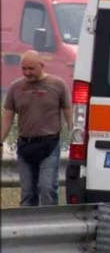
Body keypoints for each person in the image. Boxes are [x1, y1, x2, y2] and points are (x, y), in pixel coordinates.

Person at [1, 50, 72, 206]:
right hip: (25, 145)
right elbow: (7, 117)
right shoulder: (16, 88)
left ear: (42, 66)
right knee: (27, 193)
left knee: (47, 188)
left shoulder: (58, 85)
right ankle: (26, 227)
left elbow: (68, 112)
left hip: (49, 145)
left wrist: (74, 136)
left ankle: (50, 226)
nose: (27, 73)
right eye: (24, 68)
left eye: (31, 69)